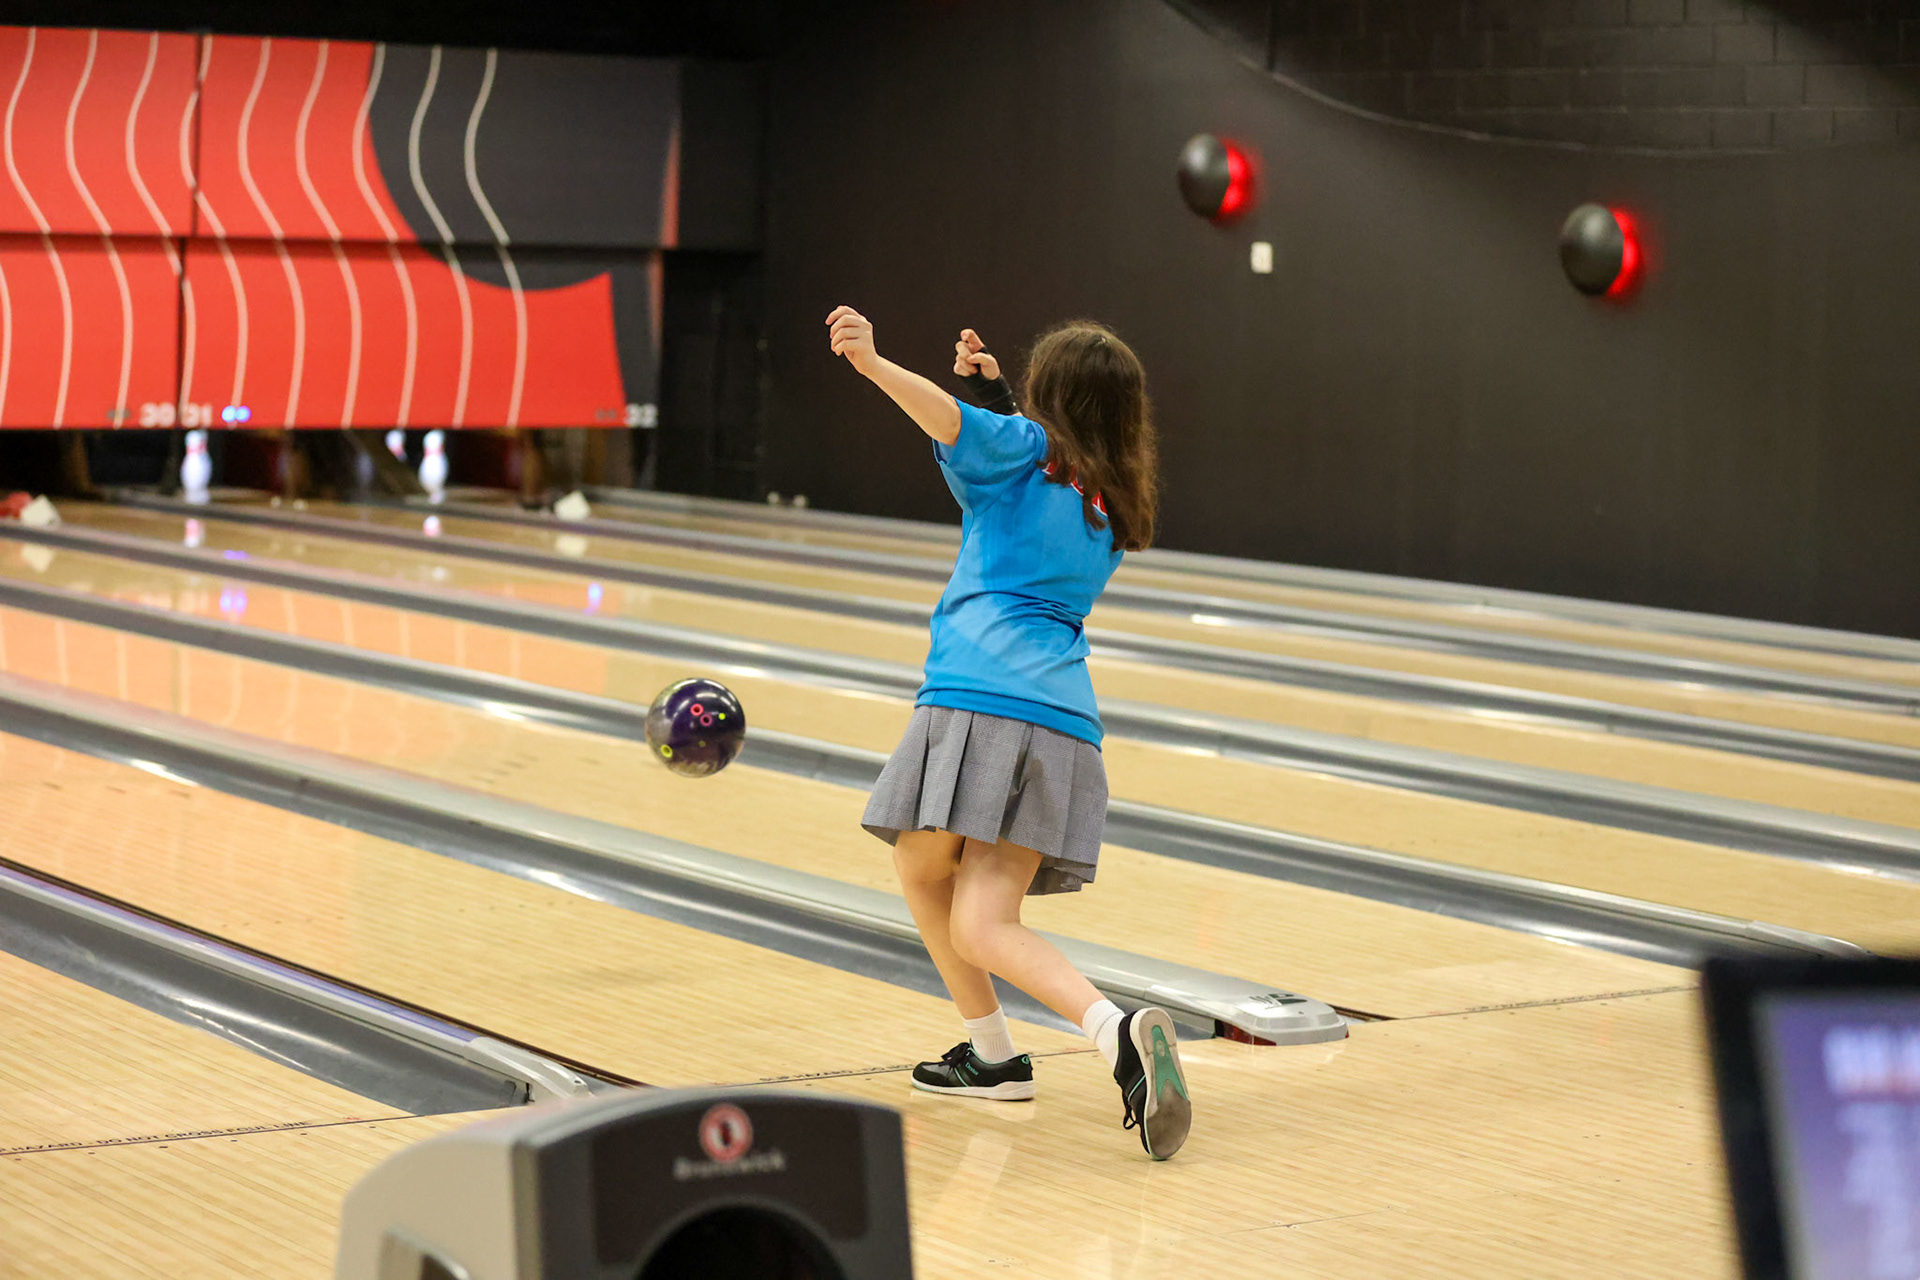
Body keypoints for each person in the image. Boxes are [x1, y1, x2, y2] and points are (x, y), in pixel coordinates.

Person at [825, 305, 1191, 1160]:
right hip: (1064, 722)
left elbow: (951, 426)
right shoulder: (1111, 498)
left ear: (1047, 399)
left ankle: (1014, 1046)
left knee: (937, 886)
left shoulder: (1018, 451)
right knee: (971, 907)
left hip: (976, 698)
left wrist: (874, 364)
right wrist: (994, 396)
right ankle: (1099, 1037)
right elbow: (1014, 446)